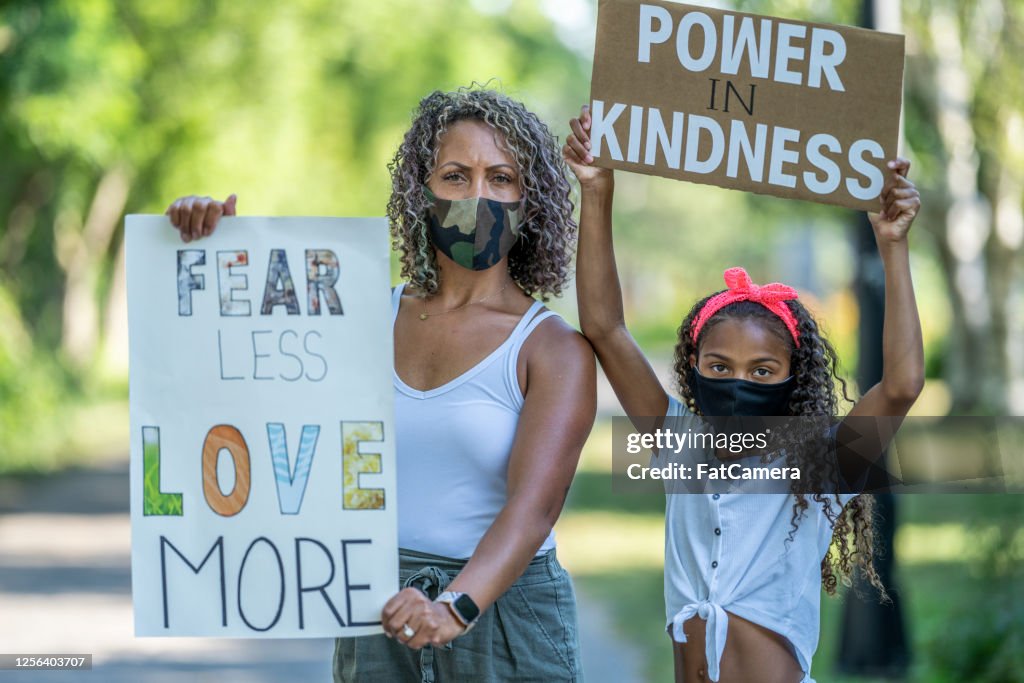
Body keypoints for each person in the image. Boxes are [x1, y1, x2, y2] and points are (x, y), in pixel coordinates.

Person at [165, 87, 596, 683]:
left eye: (501, 178)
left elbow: (533, 510)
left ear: (532, 200)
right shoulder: (360, 315)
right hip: (375, 601)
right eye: (455, 175)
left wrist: (456, 606)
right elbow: (258, 408)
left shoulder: (553, 349)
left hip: (502, 611)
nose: (478, 196)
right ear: (421, 192)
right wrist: (217, 254)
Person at [562, 105, 923, 683]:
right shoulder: (676, 439)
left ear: (793, 377)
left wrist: (893, 246)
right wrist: (597, 190)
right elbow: (604, 327)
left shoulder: (822, 464)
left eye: (762, 370)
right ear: (694, 367)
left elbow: (902, 386)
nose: (737, 382)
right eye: (719, 365)